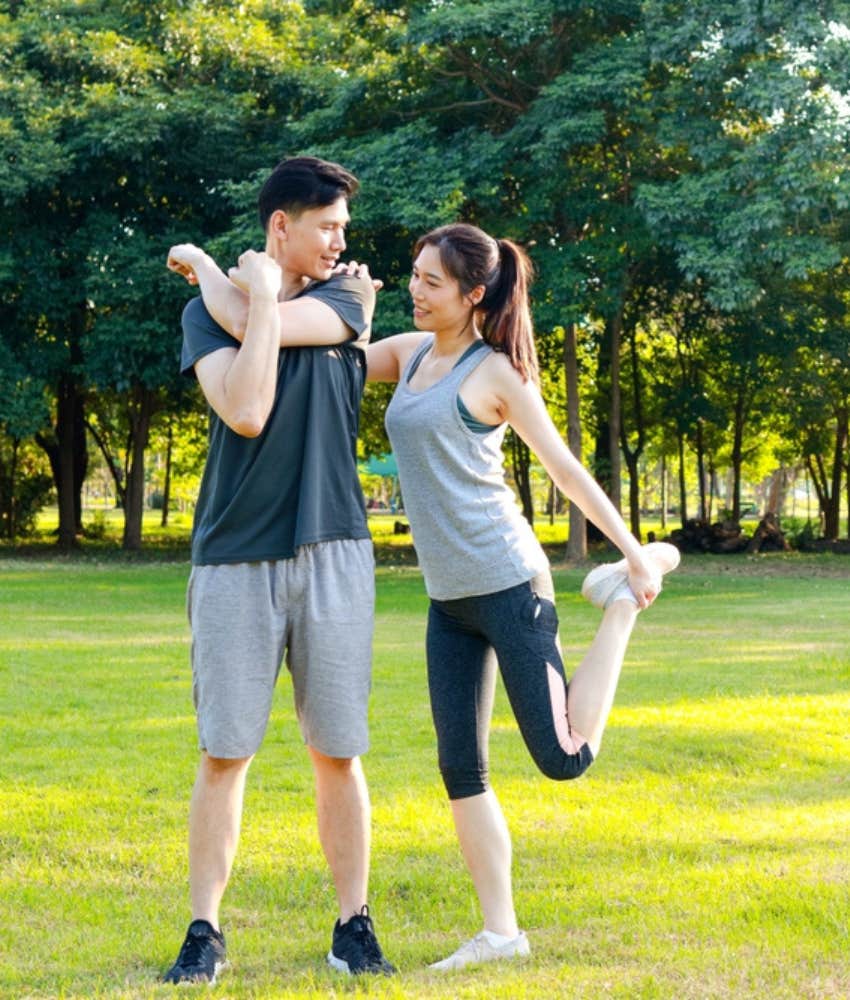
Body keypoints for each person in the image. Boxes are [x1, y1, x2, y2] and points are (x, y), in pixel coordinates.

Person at [363, 222, 680, 970]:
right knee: (460, 770)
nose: (416, 289)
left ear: (474, 294)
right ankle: (500, 933)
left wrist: (633, 554)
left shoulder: (496, 373)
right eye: (413, 275)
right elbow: (338, 354)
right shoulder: (410, 356)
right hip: (449, 603)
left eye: (431, 282)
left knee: (563, 758)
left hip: (510, 585)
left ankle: (620, 608)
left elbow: (566, 471)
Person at [161, 155, 395, 984]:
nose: (340, 242)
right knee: (225, 751)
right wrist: (237, 289)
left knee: (339, 749)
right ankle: (203, 930)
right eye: (325, 226)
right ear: (280, 226)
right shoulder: (205, 319)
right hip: (234, 556)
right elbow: (249, 410)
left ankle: (353, 923)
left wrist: (232, 281)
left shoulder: (350, 300)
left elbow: (247, 313)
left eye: (343, 228)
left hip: (334, 548)